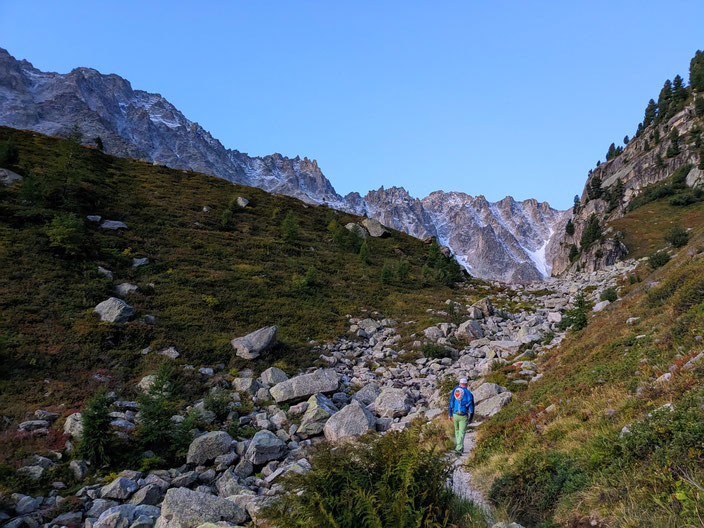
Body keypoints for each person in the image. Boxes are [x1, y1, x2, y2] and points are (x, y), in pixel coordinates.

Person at [447, 377, 474, 455]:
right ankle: (458, 448)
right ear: (466, 384)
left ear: (459, 384)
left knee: (457, 431)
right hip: (463, 415)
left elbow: (451, 402)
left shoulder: (455, 391)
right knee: (462, 432)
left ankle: (460, 447)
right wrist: (471, 416)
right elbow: (471, 406)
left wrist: (449, 414)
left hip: (455, 414)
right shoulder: (469, 393)